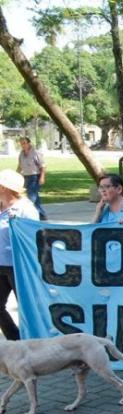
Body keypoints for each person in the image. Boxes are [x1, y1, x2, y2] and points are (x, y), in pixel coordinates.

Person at [0, 170, 39, 340]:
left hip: (18, 266)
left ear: (4, 188)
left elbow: (33, 238)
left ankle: (35, 342)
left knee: (27, 308)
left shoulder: (25, 209)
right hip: (0, 264)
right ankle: (15, 340)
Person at [16, 137, 47, 220]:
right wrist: (16, 174)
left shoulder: (36, 153)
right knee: (34, 196)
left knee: (31, 197)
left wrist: (42, 177)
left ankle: (26, 216)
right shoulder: (21, 154)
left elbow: (43, 167)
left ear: (29, 143)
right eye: (21, 143)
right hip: (26, 177)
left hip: (35, 177)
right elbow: (20, 166)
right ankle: (42, 214)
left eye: (24, 143)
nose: (23, 145)